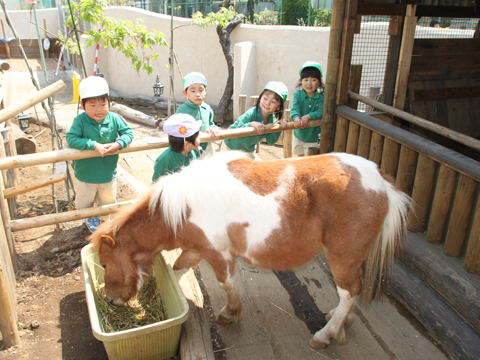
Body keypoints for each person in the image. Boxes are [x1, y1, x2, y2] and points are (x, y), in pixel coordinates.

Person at [66, 75, 134, 233]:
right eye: (92, 105)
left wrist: (118, 144)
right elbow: (71, 139)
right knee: (86, 202)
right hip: (85, 175)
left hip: (107, 173)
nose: (98, 109)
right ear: (83, 105)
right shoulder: (80, 121)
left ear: (109, 103)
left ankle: (104, 223)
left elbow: (128, 133)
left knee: (107, 202)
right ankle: (90, 219)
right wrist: (92, 145)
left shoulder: (114, 119)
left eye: (103, 104)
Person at [224, 81, 288, 159]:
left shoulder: (272, 121)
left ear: (279, 107)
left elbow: (271, 141)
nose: (267, 103)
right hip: (232, 148)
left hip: (249, 150)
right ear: (260, 98)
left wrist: (279, 127)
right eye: (265, 98)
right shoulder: (251, 113)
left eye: (273, 101)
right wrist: (251, 124)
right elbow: (238, 130)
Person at [176, 72, 219, 159]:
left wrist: (213, 129)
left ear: (205, 91)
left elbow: (210, 123)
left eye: (201, 90)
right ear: (185, 93)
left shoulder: (207, 108)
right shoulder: (182, 110)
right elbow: (178, 131)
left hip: (207, 147)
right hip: (190, 149)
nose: (198, 94)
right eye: (193, 91)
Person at [152, 113, 202, 183]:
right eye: (197, 137)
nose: (200, 139)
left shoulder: (190, 152)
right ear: (187, 144)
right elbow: (156, 184)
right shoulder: (165, 159)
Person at [289, 61, 325, 157]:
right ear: (301, 81)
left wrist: (308, 116)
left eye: (313, 80)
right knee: (300, 161)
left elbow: (321, 111)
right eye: (305, 79)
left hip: (313, 137)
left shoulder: (322, 96)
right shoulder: (297, 94)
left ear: (319, 81)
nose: (309, 83)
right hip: (299, 135)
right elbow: (294, 109)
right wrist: (296, 118)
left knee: (311, 163)